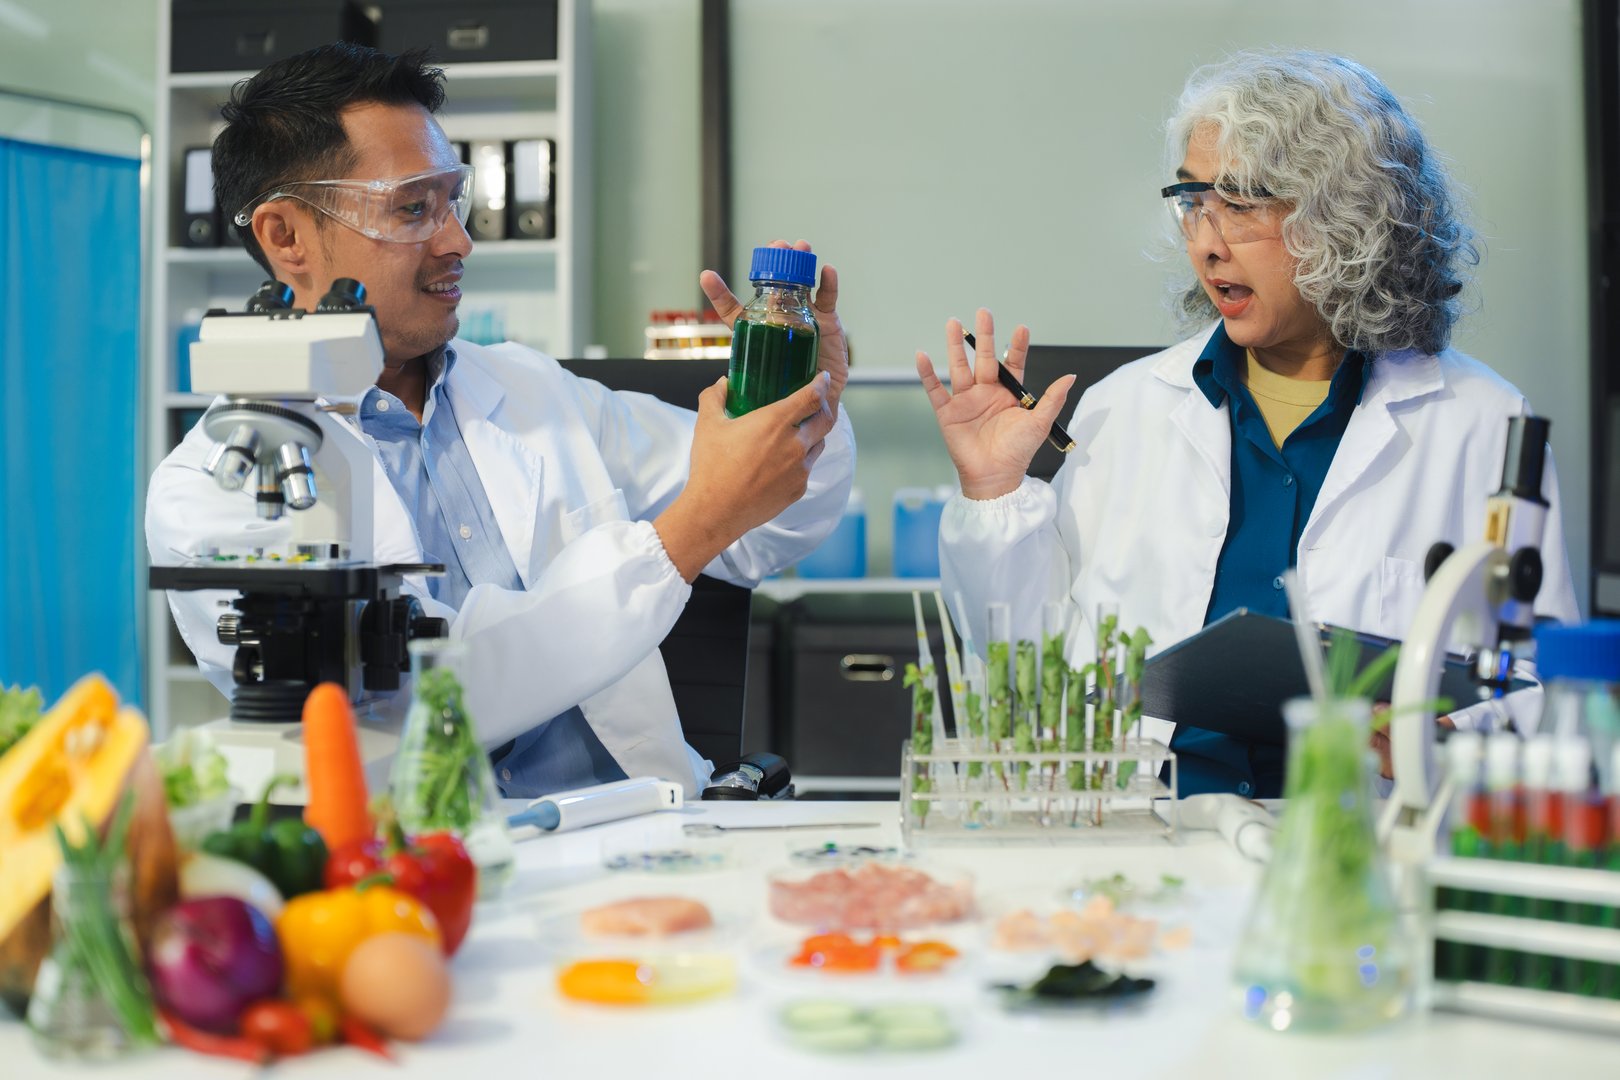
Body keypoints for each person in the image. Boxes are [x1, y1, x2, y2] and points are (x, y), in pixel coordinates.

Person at [146, 44, 856, 797]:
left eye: (452, 200)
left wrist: (797, 401)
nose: (458, 240)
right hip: (425, 876)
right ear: (285, 236)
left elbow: (770, 528)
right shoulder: (217, 485)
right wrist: (690, 530)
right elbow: (421, 705)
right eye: (413, 208)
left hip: (638, 830)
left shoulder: (532, 389)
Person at [916, 50, 1579, 798]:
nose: (1205, 241)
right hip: (1145, 834)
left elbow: (1539, 683)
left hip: (1353, 841)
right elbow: (1022, 668)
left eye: (1239, 203)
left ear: (1345, 214)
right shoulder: (1124, 409)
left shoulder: (1482, 425)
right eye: (1193, 201)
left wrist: (1444, 738)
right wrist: (993, 491)